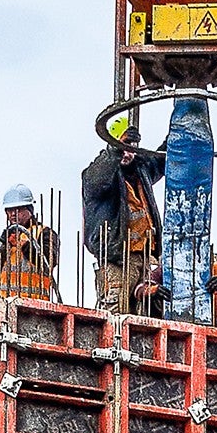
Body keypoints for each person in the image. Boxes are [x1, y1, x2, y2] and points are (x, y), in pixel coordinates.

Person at [81, 113, 164, 314]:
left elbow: (162, 159)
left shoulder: (140, 172)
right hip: (116, 261)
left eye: (132, 148)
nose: (128, 153)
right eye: (124, 147)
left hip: (142, 261)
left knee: (142, 318)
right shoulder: (99, 175)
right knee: (115, 317)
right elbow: (97, 180)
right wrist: (117, 148)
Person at [0, 185, 63, 301]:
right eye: (9, 210)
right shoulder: (1, 242)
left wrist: (25, 246)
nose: (13, 214)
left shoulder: (43, 233)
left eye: (17, 209)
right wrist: (2, 248)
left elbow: (49, 263)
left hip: (35, 305)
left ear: (29, 210)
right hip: (3, 306)